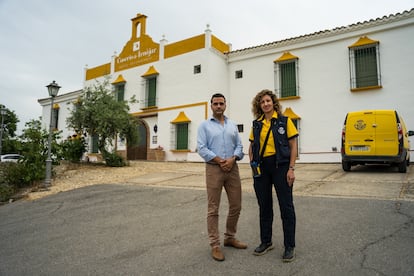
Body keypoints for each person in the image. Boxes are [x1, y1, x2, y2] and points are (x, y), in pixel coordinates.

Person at [248, 89, 299, 262]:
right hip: (262, 169)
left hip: (281, 167)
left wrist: (291, 169)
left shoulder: (285, 121)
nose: (266, 104)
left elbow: (293, 145)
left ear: (273, 102)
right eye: (262, 102)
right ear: (259, 105)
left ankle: (289, 246)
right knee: (264, 206)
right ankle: (266, 241)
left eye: (268, 101)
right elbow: (252, 146)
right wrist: (253, 165)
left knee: (286, 206)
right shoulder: (256, 124)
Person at [197, 93, 247, 262]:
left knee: (236, 205)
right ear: (211, 106)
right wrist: (220, 161)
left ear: (225, 105)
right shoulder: (204, 126)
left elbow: (239, 146)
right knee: (213, 209)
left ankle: (230, 237)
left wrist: (233, 159)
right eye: (215, 104)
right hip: (214, 169)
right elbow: (202, 148)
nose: (218, 106)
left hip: (232, 169)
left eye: (221, 103)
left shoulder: (232, 125)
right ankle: (215, 245)